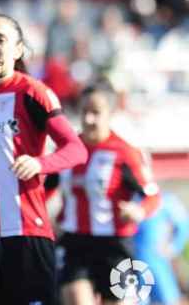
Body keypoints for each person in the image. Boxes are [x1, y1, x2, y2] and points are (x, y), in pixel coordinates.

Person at [0, 14, 87, 305]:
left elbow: (76, 149)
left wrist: (40, 164)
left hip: (25, 232)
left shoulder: (31, 91)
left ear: (18, 49)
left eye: (0, 39)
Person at [46, 85, 160, 305]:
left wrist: (138, 211)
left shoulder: (125, 153)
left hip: (115, 245)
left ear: (111, 113)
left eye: (96, 112)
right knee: (76, 298)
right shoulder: (68, 149)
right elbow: (45, 189)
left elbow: (153, 196)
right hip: (74, 242)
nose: (88, 119)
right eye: (84, 112)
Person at [134, 192, 189, 305]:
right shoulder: (129, 200)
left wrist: (173, 247)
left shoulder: (166, 200)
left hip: (156, 262)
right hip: (133, 264)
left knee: (167, 299)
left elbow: (183, 226)